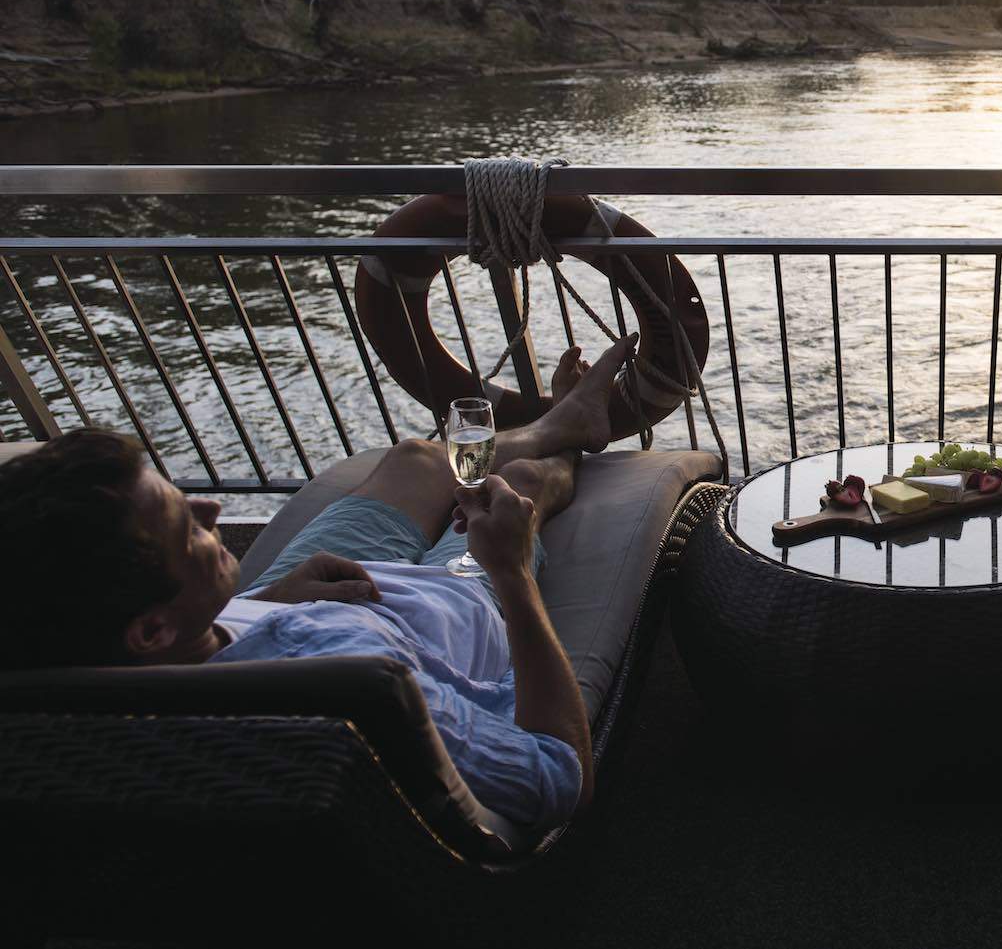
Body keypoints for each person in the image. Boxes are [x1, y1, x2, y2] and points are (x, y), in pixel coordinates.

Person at [0, 333, 643, 834]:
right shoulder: (352, 686)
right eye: (186, 529)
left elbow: (186, 649)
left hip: (289, 602)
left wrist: (267, 601)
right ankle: (570, 440)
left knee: (416, 460)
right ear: (151, 628)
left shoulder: (67, 668)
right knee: (523, 486)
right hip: (427, 621)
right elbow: (557, 777)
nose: (213, 512)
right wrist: (510, 573)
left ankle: (561, 418)